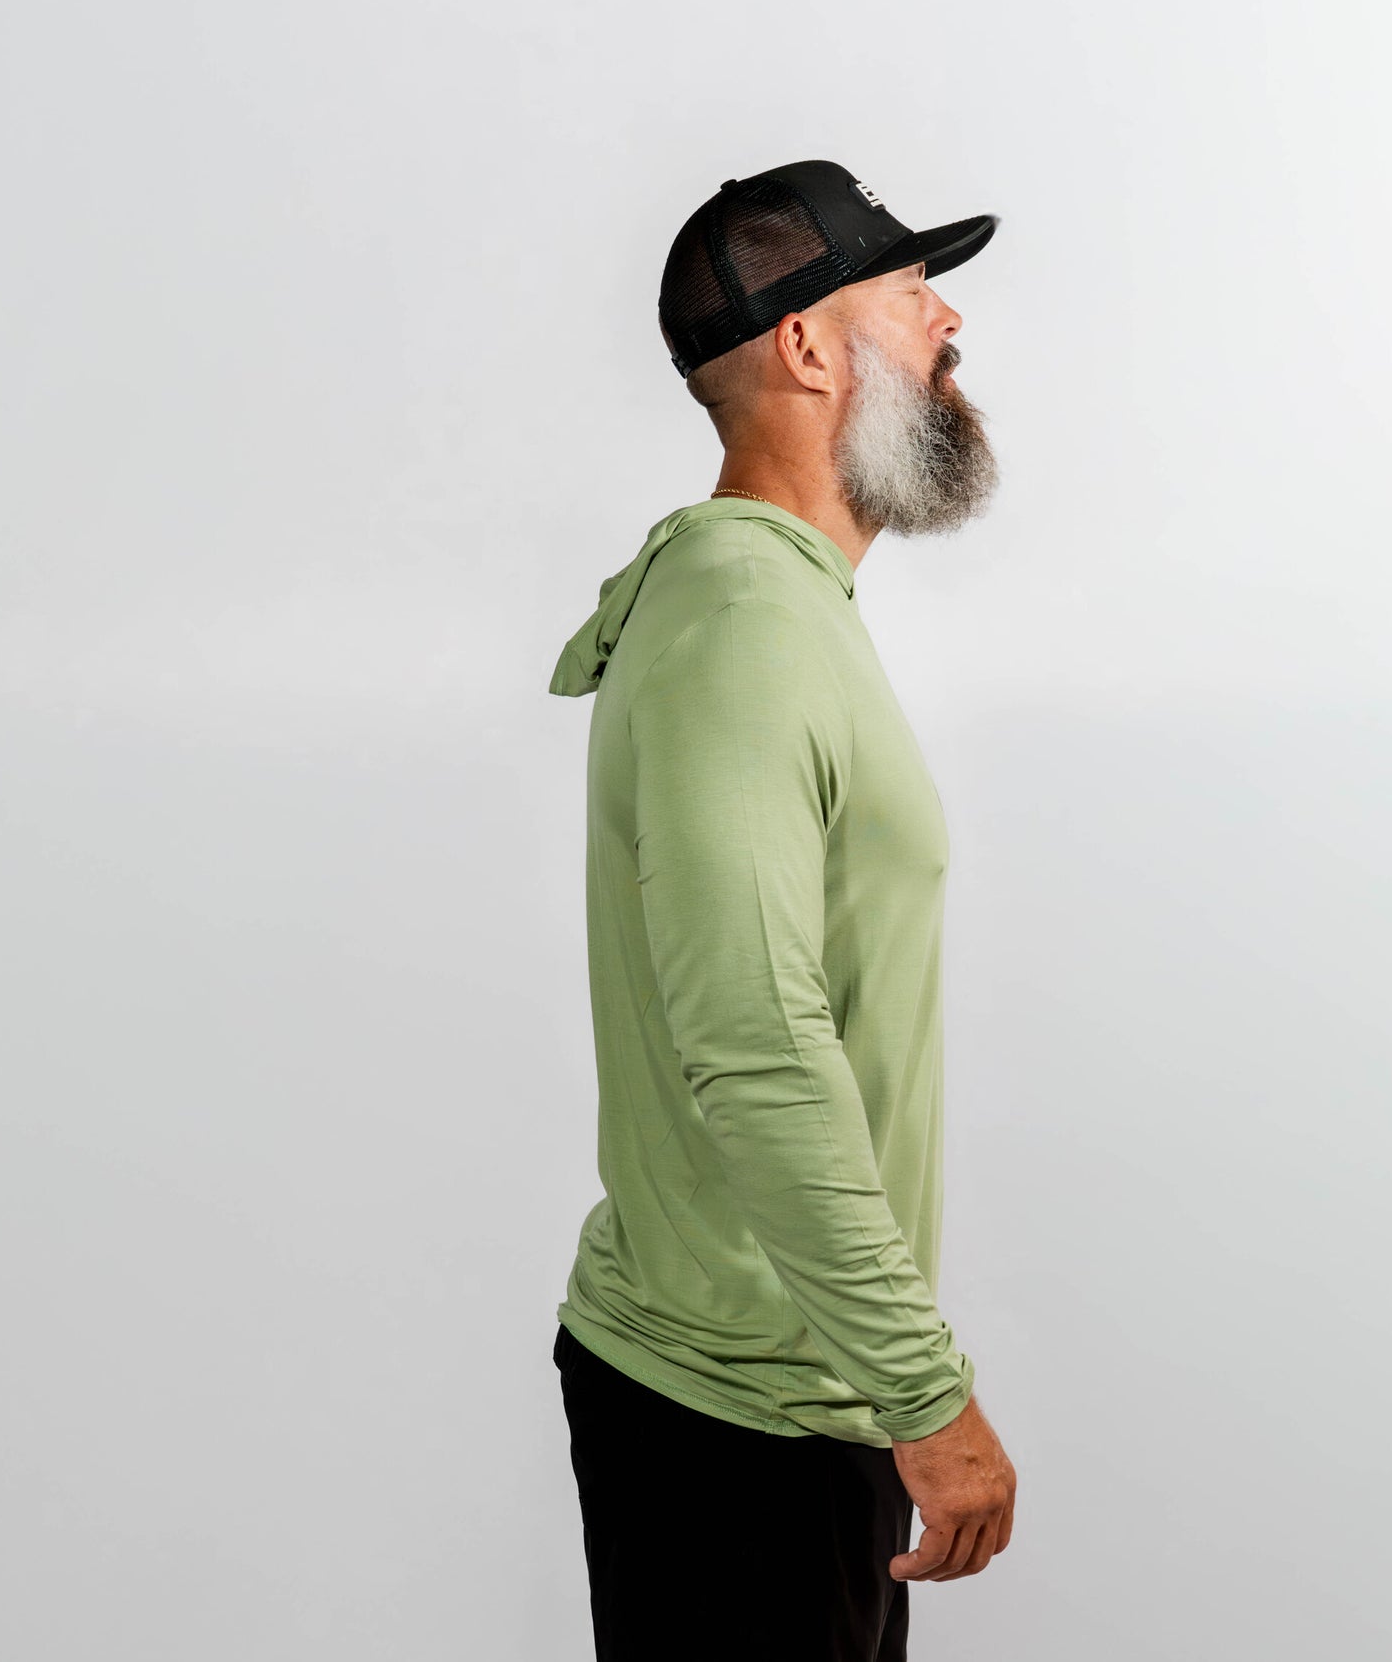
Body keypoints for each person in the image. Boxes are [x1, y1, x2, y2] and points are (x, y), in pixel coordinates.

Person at [547, 159, 1017, 1660]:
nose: (950, 322)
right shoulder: (744, 622)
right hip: (737, 1419)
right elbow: (754, 1042)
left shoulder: (782, 604)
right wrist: (926, 1392)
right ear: (809, 346)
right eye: (911, 290)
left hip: (804, 1396)